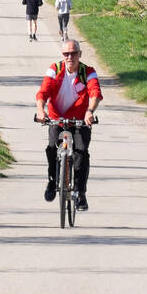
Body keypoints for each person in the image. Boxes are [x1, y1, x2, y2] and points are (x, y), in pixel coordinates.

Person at [35, 39, 101, 211]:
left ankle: (80, 193)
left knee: (81, 153)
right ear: (62, 55)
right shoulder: (55, 69)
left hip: (80, 120)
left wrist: (90, 111)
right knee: (51, 147)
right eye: (66, 54)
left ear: (80, 54)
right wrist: (41, 111)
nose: (70, 57)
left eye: (73, 53)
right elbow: (43, 91)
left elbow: (95, 92)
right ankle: (51, 182)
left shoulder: (88, 72)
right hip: (57, 118)